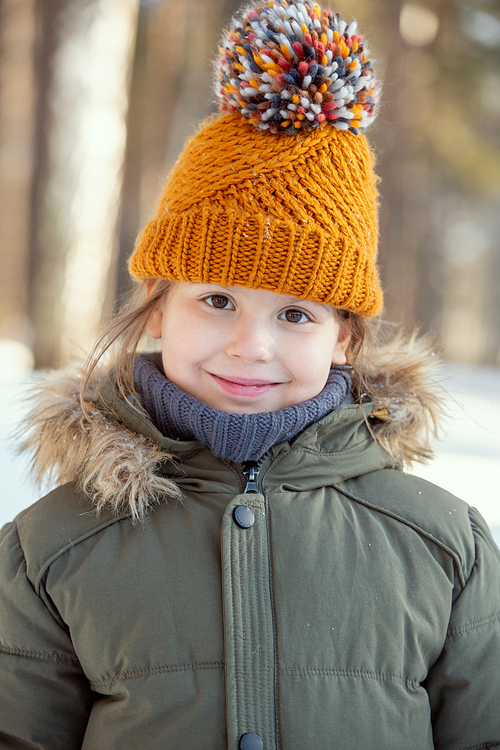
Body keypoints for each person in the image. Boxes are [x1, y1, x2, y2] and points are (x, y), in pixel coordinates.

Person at [1, 0, 499, 748]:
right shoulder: (53, 548)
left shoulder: (439, 544)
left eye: (295, 315)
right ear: (159, 308)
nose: (250, 345)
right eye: (217, 300)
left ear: (345, 339)